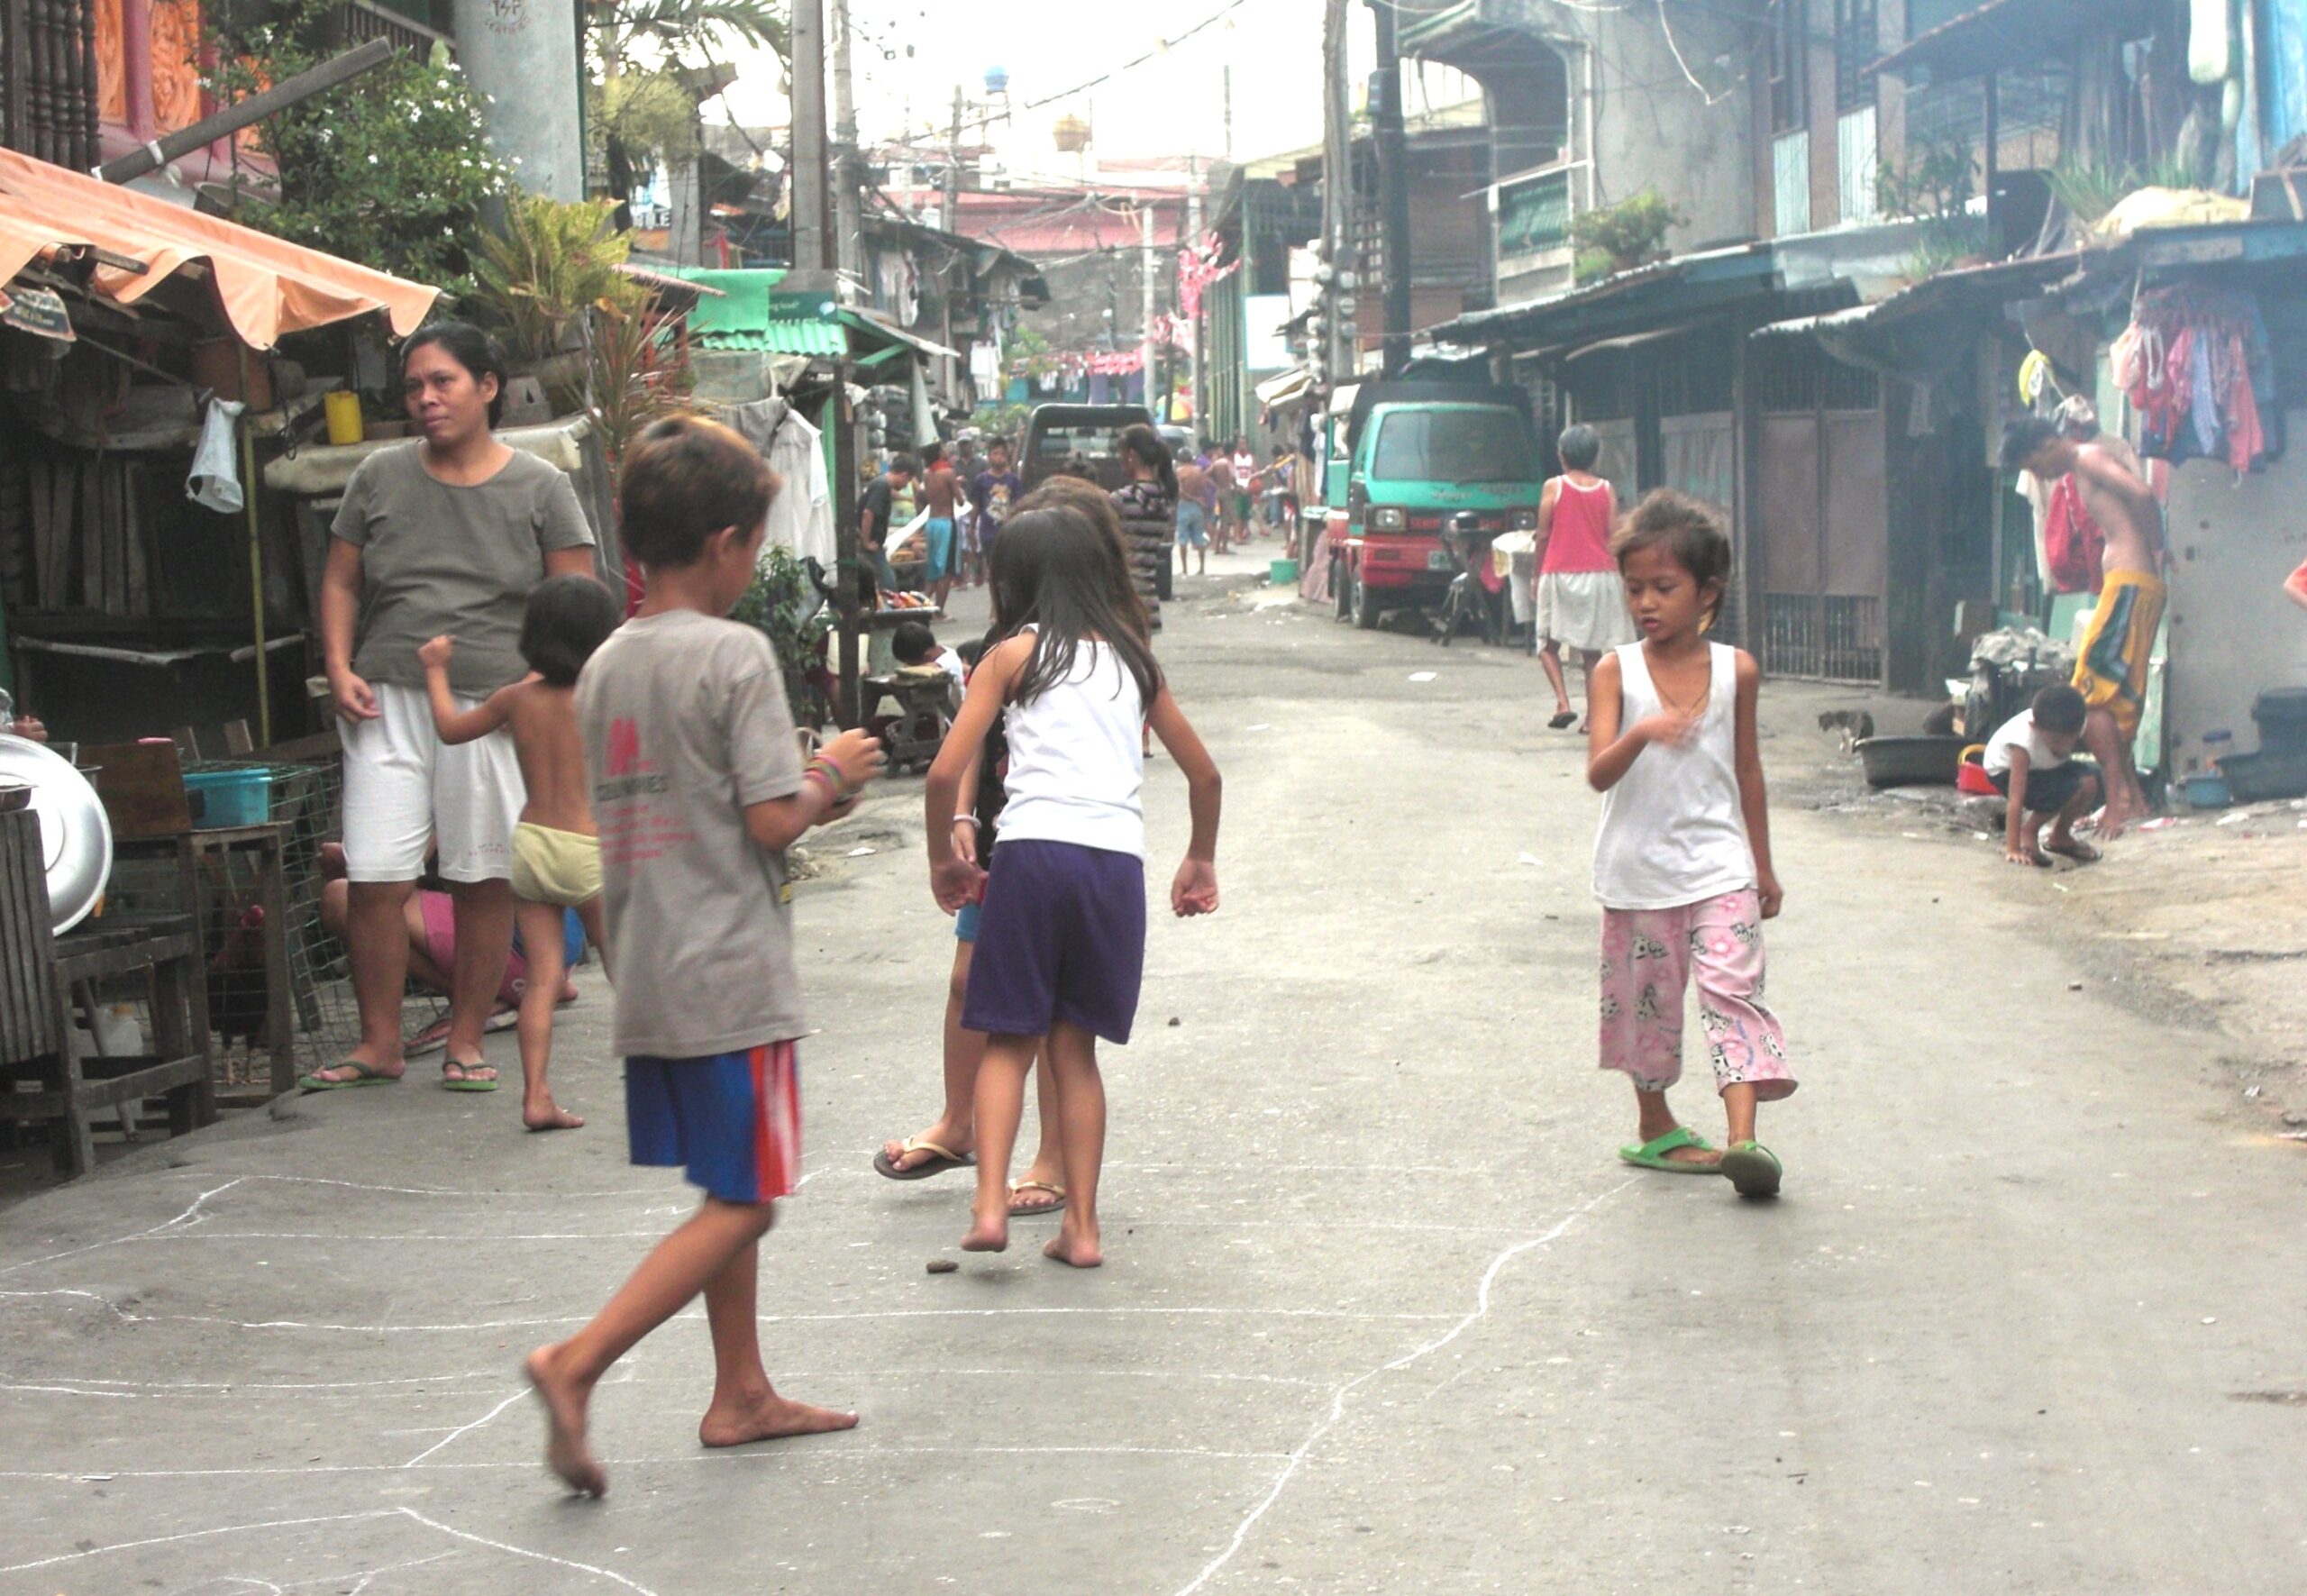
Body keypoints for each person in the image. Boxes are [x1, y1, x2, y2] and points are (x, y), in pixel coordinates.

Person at [524, 414, 886, 1499]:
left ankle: (741, 1390)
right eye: (755, 547)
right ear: (727, 542)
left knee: (728, 1181)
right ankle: (575, 1361)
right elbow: (774, 819)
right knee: (748, 1199)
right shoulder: (734, 653)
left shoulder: (603, 665)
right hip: (731, 969)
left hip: (651, 966)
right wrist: (834, 769)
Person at [926, 504, 1223, 1267]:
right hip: (1112, 867)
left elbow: (940, 772)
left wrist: (945, 858)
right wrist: (1200, 857)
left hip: (1029, 858)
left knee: (1006, 1043)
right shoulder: (1134, 662)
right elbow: (1204, 774)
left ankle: (990, 1205)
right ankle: (1082, 1230)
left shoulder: (1010, 656)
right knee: (1076, 1052)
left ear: (1013, 580)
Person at [307, 322, 597, 1093]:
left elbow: (576, 605)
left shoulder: (541, 485)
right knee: (374, 873)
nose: (426, 399)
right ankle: (379, 1043)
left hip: (493, 703)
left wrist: (548, 702)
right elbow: (340, 580)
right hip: (384, 697)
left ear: (488, 387)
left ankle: (466, 1037)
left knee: (480, 872)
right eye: (413, 387)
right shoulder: (378, 474)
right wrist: (337, 665)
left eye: (442, 382)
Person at [1585, 490, 1792, 1199]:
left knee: (1735, 991)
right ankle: (1657, 1128)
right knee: (1649, 1007)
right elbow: (1597, 772)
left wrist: (1761, 863)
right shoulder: (1616, 671)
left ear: (1707, 591)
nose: (1646, 602)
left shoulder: (1738, 669)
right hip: (1638, 872)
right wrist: (1642, 730)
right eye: (1635, 587)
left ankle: (1744, 1142)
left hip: (1719, 864)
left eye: (1664, 588)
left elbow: (1749, 769)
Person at [417, 573, 622, 1131]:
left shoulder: (514, 700)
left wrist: (436, 669)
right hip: (590, 848)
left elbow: (450, 729)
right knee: (628, 972)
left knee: (543, 978)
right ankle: (672, 1088)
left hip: (531, 846)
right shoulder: (603, 698)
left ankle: (536, 1096)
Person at [2002, 416, 2166, 839]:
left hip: (2130, 583)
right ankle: (2133, 799)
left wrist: (2159, 547)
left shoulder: (2089, 457)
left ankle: (2124, 801)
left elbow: (2144, 494)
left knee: (2090, 693)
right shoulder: (2083, 465)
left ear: (2045, 444)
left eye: (2035, 466)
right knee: (2107, 697)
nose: (2040, 476)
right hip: (2126, 583)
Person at [1535, 424, 1637, 733]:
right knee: (1592, 651)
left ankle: (1563, 703)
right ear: (1594, 456)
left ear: (1562, 455)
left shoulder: (1554, 486)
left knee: (1546, 643)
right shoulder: (1606, 489)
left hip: (1560, 572)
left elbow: (1542, 534)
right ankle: (1594, 720)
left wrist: (1535, 575)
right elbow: (1615, 534)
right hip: (1601, 575)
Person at [1985, 684, 2103, 869]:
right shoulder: (2022, 741)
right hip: (2004, 772)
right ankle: (2029, 831)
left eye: (2070, 741)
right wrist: (2013, 849)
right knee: (2064, 790)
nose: (2063, 748)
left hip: (2045, 767)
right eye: (2056, 741)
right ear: (2035, 727)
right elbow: (2016, 799)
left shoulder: (2075, 723)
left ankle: (2060, 836)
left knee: (2089, 783)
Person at [1113, 423, 1179, 587]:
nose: (1118, 457)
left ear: (1131, 455)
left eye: (1120, 452)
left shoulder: (1120, 500)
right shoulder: (1165, 498)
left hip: (1127, 600)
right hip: (1150, 597)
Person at [858, 454, 917, 601]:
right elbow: (868, 513)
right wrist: (866, 541)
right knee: (888, 583)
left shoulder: (881, 484)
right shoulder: (882, 485)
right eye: (907, 481)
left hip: (875, 543)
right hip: (869, 544)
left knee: (881, 581)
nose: (905, 486)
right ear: (904, 475)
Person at [969, 439, 1023, 567]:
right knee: (992, 566)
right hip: (988, 533)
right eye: (995, 453)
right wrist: (971, 530)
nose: (999, 457)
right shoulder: (981, 480)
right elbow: (976, 505)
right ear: (989, 456)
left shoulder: (1013, 480)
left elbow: (1019, 504)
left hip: (1008, 532)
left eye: (1003, 454)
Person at [920, 442, 961, 610]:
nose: (946, 450)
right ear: (938, 453)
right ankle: (939, 610)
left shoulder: (926, 474)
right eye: (943, 448)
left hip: (931, 522)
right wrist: (957, 485)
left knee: (933, 570)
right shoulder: (948, 473)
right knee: (945, 571)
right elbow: (960, 500)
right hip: (946, 523)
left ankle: (921, 604)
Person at [891, 618, 967, 697]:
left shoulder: (941, 665)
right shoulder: (944, 651)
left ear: (927, 656)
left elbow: (932, 668)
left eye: (912, 665)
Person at [1175, 452, 1215, 578]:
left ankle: (1185, 569)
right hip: (1198, 507)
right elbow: (1204, 487)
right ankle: (1202, 568)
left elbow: (1180, 491)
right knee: (1199, 538)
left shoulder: (1179, 471)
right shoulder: (1199, 471)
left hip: (1184, 506)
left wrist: (1192, 498)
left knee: (1183, 540)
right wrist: (1201, 500)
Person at [1207, 446, 1237, 555]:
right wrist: (1236, 486)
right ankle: (1224, 547)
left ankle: (1217, 547)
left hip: (1218, 493)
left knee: (1219, 519)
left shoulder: (1217, 463)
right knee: (1227, 521)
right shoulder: (1229, 463)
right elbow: (1233, 476)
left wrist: (1215, 485)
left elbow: (1206, 475)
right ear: (1233, 452)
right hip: (1227, 493)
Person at [1229, 437, 1259, 542]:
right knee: (1238, 513)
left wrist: (1253, 485)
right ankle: (1237, 536)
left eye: (1244, 443)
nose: (1242, 446)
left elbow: (1255, 472)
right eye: (1240, 443)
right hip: (1237, 488)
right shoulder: (1234, 457)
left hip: (1248, 488)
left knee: (1245, 514)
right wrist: (1235, 486)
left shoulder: (1251, 458)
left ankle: (1241, 533)